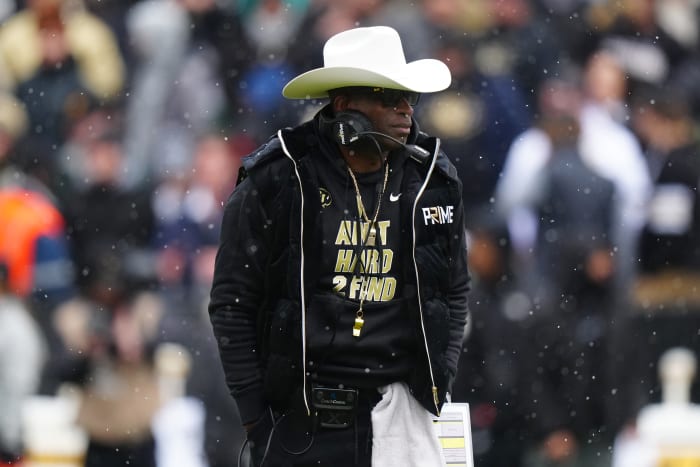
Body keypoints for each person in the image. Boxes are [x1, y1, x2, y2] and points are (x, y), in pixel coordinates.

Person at [208, 25, 470, 467]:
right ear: (346, 107)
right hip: (303, 424)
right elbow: (232, 304)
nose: (406, 110)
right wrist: (257, 418)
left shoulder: (433, 179)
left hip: (403, 414)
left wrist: (438, 381)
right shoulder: (278, 177)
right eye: (390, 98)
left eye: (411, 98)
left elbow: (455, 291)